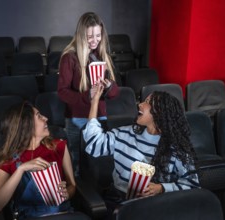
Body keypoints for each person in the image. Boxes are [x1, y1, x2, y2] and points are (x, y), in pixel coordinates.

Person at [83, 84, 200, 216]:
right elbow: (95, 144)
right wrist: (94, 103)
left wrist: (161, 188)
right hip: (118, 201)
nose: (140, 105)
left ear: (160, 113)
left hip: (156, 205)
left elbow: (192, 185)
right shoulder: (124, 133)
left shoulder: (176, 148)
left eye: (148, 103)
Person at [0, 101, 76, 219]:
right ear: (26, 126)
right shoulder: (8, 161)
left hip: (62, 214)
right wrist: (21, 169)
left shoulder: (59, 146)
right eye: (39, 116)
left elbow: (72, 185)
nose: (46, 118)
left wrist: (67, 193)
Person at [57, 12, 119, 175]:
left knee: (99, 163)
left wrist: (108, 87)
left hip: (99, 116)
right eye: (89, 36)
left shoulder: (101, 54)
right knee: (77, 165)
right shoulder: (69, 57)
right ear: (81, 35)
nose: (94, 40)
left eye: (98, 35)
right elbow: (62, 92)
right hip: (77, 119)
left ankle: (99, 198)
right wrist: (87, 96)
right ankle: (80, 198)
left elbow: (114, 93)